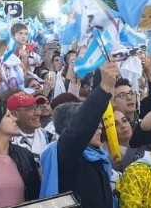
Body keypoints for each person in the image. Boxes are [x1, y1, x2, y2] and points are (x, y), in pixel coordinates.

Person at [39, 61, 118, 208]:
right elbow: (80, 128)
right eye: (93, 125)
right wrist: (103, 88)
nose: (100, 126)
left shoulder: (98, 157)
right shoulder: (65, 153)